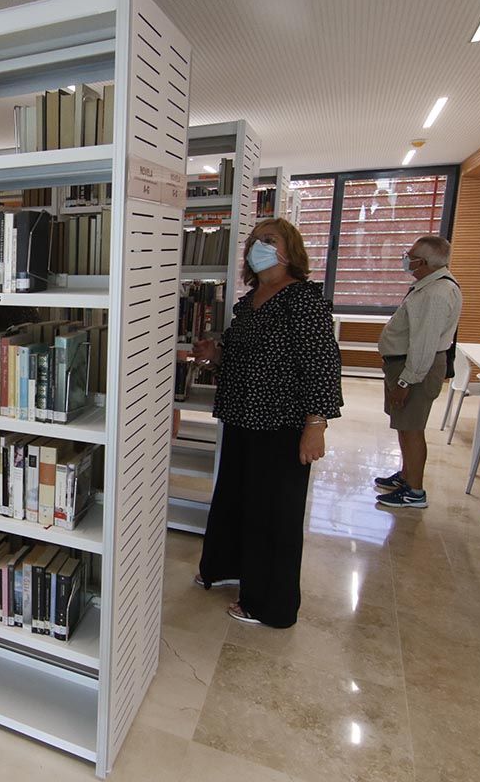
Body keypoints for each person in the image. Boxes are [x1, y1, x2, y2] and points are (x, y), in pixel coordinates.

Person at [191, 218, 343, 628]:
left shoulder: (303, 300)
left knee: (274, 513)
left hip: (282, 423)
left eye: (269, 240)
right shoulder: (251, 299)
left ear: (289, 250)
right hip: (242, 416)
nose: (258, 246)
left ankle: (269, 603)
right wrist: (215, 354)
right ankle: (229, 569)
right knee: (237, 498)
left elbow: (322, 365)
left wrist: (317, 423)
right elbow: (246, 358)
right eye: (254, 241)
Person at [373, 235, 462, 508]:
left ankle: (415, 491)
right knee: (404, 425)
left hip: (414, 369)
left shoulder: (436, 294)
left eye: (409, 254)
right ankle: (406, 475)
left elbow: (423, 345)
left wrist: (405, 381)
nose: (406, 258)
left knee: (412, 428)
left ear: (422, 262)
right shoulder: (430, 286)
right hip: (406, 365)